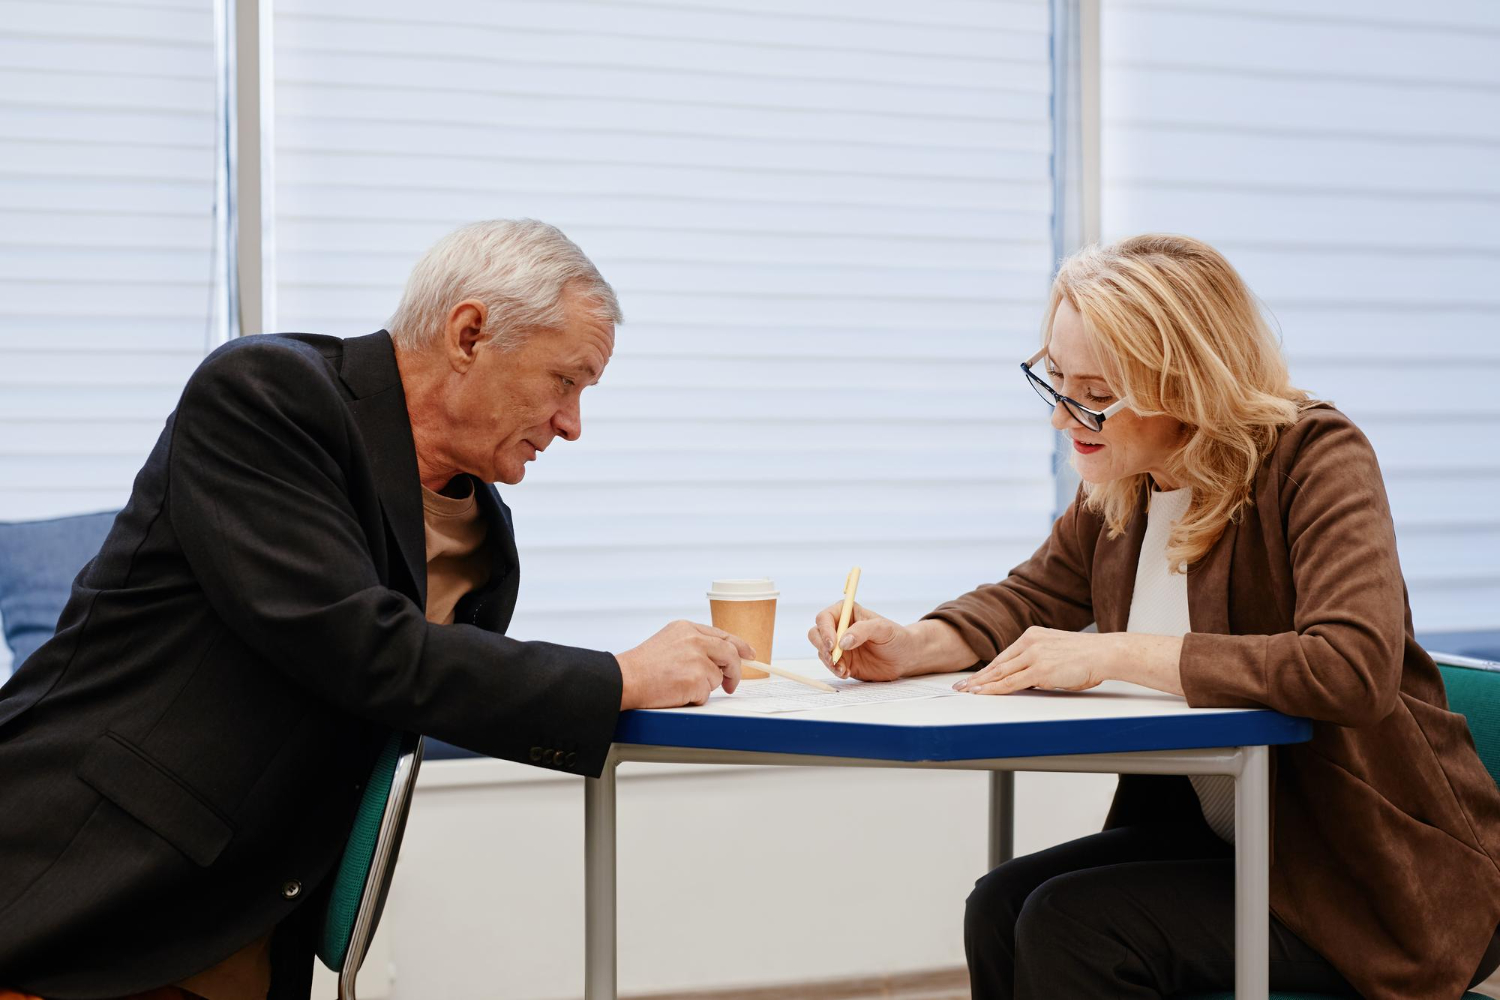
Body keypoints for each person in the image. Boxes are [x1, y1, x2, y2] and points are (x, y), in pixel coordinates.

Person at [0, 220, 752, 999]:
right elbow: (357, 647)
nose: (572, 424)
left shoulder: (484, 534)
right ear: (469, 333)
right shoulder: (266, 395)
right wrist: (618, 677)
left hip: (242, 929)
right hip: (79, 893)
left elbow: (424, 696)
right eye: (566, 381)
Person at [809, 234, 1500, 999]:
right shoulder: (1127, 482)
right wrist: (912, 645)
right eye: (1060, 381)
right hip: (1234, 848)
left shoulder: (1316, 456)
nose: (1068, 416)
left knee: (1072, 925)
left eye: (1100, 392)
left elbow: (1350, 668)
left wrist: (1120, 654)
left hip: (1366, 883)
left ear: (1188, 383)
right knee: (999, 905)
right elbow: (1029, 598)